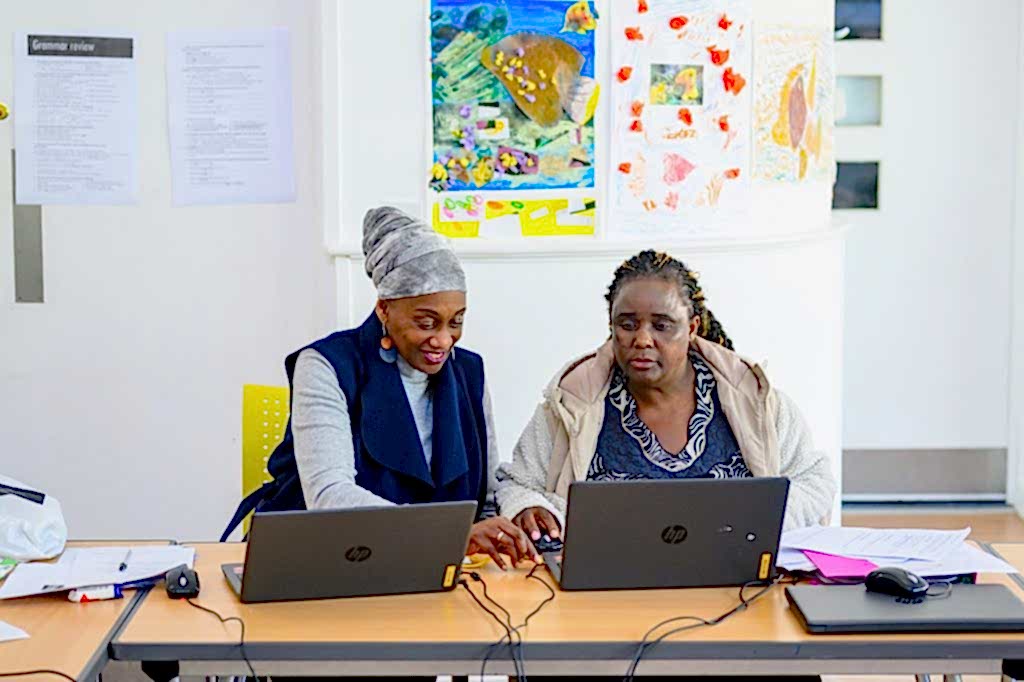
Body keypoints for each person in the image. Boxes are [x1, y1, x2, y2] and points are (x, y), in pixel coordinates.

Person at [222, 206, 534, 571]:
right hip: (322, 564)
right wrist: (448, 535)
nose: (443, 340)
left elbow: (485, 498)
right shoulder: (326, 365)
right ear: (384, 309)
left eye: (456, 322)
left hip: (434, 571)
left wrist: (515, 520)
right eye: (426, 322)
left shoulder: (469, 372)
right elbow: (329, 496)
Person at [497, 249, 836, 545]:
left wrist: (757, 522)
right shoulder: (571, 404)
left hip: (736, 586)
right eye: (627, 324)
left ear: (691, 329)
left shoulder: (753, 400)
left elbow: (814, 479)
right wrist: (528, 508)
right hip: (606, 592)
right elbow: (516, 484)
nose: (642, 339)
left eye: (662, 325)